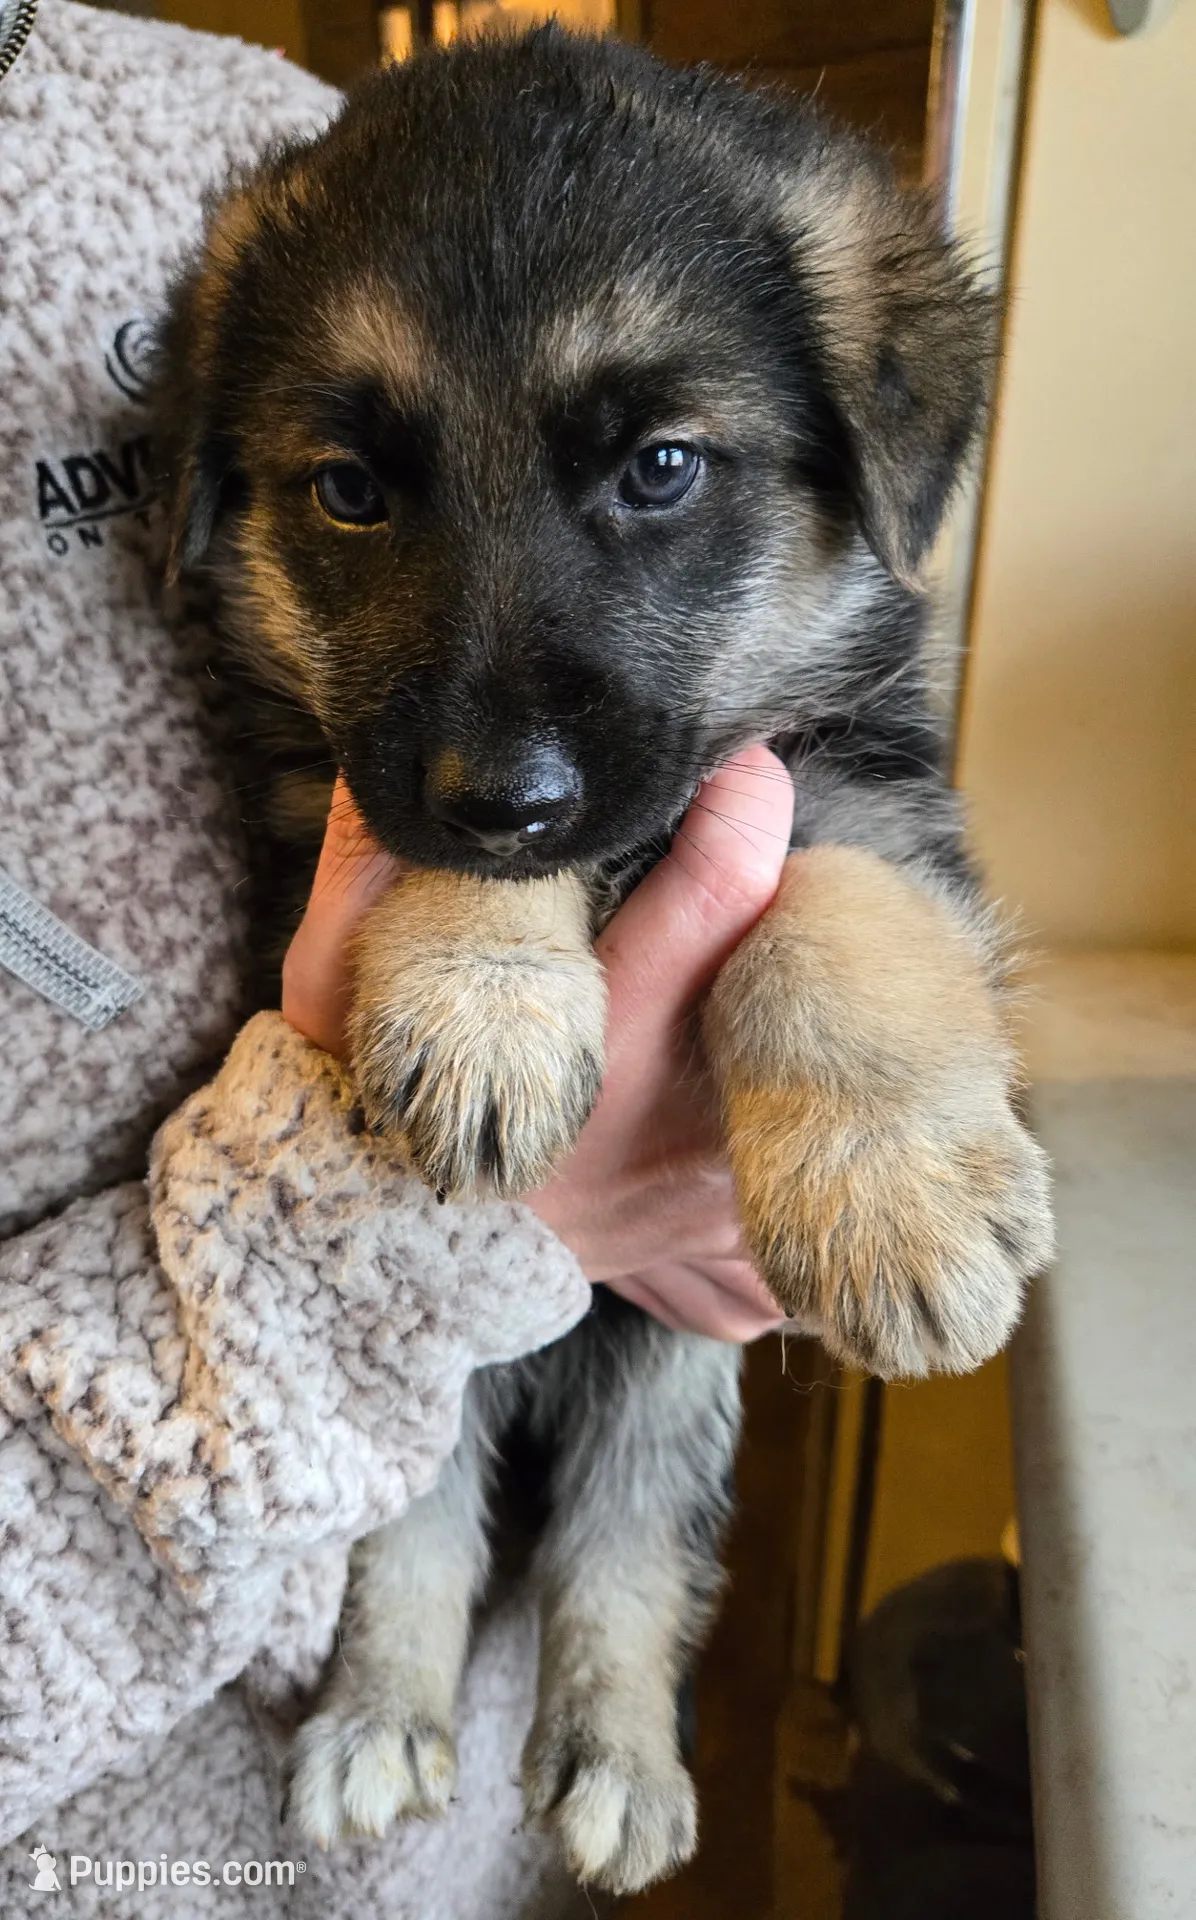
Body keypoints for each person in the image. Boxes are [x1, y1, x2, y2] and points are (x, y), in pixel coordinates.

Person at [0, 3, 788, 1911]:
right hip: (118, 1836)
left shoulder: (261, 146)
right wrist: (419, 1235)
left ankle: (614, 1676)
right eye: (352, 495)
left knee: (666, 1399)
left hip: (441, 1857)